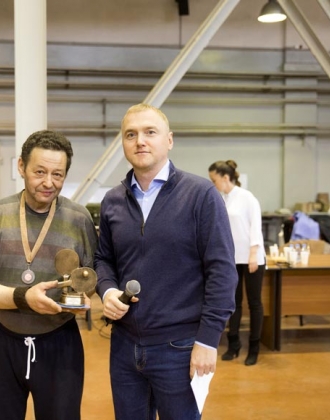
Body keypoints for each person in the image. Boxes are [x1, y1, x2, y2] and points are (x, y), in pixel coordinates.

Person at [95, 104, 238, 420]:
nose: (140, 141)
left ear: (169, 140)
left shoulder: (201, 195)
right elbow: (103, 259)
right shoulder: (113, 200)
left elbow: (222, 271)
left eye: (150, 132)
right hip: (124, 346)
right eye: (130, 134)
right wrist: (107, 291)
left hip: (180, 347)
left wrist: (208, 341)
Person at [0, 130, 99, 420]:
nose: (48, 182)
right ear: (21, 166)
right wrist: (23, 297)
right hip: (1, 343)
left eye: (57, 174)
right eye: (39, 172)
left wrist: (85, 296)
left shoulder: (79, 219)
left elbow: (88, 279)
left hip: (60, 343)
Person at [208, 160, 265, 366]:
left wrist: (253, 254)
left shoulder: (247, 197)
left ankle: (254, 348)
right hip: (231, 259)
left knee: (254, 303)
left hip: (252, 258)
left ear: (225, 178)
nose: (212, 184)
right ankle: (234, 345)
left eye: (214, 180)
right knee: (233, 303)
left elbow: (256, 227)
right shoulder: (222, 199)